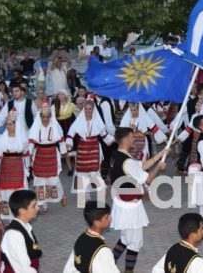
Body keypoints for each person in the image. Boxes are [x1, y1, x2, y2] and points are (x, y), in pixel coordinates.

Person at [109, 127, 166, 272]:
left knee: (125, 238)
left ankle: (109, 263)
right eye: (132, 137)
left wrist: (159, 155)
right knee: (135, 242)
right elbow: (147, 180)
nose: (134, 139)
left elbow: (139, 166)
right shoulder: (127, 161)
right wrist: (158, 168)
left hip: (121, 203)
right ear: (126, 139)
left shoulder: (116, 155)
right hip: (130, 206)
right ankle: (128, 270)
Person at [66, 95, 114, 201]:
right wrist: (68, 141)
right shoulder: (79, 121)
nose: (88, 111)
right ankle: (85, 195)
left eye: (90, 109)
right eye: (86, 109)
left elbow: (104, 135)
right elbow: (71, 133)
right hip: (82, 149)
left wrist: (115, 140)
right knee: (82, 172)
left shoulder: (97, 121)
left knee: (94, 172)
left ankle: (101, 192)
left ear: (93, 109)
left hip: (94, 149)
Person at [0, 111, 30, 220]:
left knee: (18, 190)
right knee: (5, 191)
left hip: (18, 168)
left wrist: (28, 168)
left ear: (16, 125)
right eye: (7, 124)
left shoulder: (22, 140)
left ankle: (20, 215)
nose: (8, 126)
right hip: (6, 169)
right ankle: (7, 216)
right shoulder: (2, 139)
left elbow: (26, 155)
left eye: (10, 124)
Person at [29, 100, 67, 212]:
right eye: (43, 116)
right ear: (39, 116)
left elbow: (61, 139)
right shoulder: (36, 126)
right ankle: (42, 204)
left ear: (51, 116)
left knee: (53, 178)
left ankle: (61, 195)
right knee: (39, 179)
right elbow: (31, 140)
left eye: (47, 116)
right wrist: (29, 154)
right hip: (40, 154)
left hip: (52, 154)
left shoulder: (55, 126)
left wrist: (64, 152)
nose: (45, 119)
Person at [63, 201, 119, 273]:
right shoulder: (102, 250)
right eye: (106, 217)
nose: (110, 218)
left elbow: (70, 267)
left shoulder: (81, 238)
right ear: (97, 222)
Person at [1, 190, 42, 273]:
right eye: (34, 206)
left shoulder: (25, 227)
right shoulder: (14, 234)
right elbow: (23, 267)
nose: (38, 208)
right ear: (22, 211)